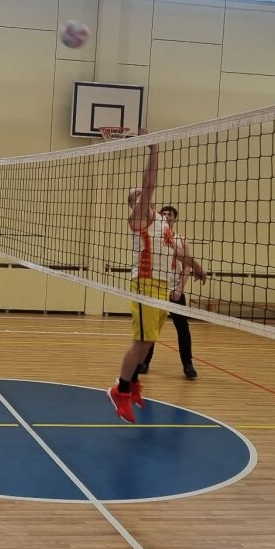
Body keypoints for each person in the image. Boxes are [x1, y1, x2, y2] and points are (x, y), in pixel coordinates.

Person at [110, 141, 205, 423]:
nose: (143, 194)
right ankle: (120, 390)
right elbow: (149, 183)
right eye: (137, 194)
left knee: (149, 340)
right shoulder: (139, 217)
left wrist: (197, 267)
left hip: (163, 286)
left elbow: (177, 252)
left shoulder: (162, 224)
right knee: (141, 341)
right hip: (146, 284)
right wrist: (154, 151)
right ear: (134, 204)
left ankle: (133, 383)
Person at [136, 205, 199, 380]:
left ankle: (188, 364)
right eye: (163, 214)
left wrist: (179, 288)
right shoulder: (155, 236)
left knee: (183, 328)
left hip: (175, 290)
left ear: (175, 218)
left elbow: (187, 267)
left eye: (169, 214)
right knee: (152, 326)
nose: (166, 217)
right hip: (157, 289)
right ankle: (145, 362)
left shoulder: (181, 240)